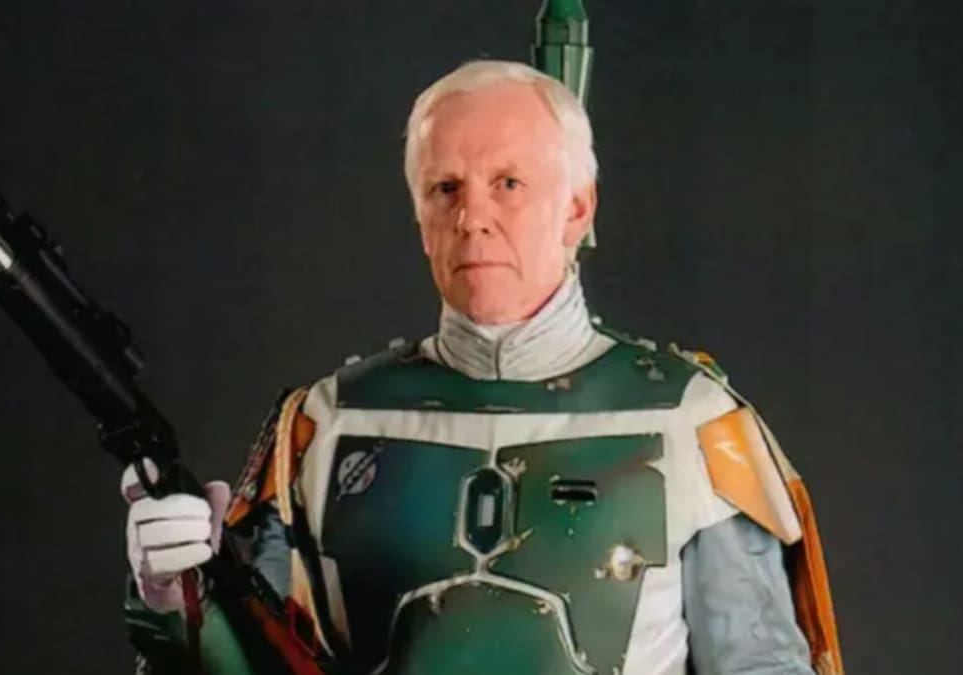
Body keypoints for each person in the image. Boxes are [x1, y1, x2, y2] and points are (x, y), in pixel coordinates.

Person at [121, 60, 843, 675]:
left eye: (508, 183)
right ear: (419, 215)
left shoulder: (691, 423)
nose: (473, 217)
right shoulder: (326, 424)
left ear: (578, 208)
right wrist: (176, 596)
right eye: (447, 188)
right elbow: (257, 663)